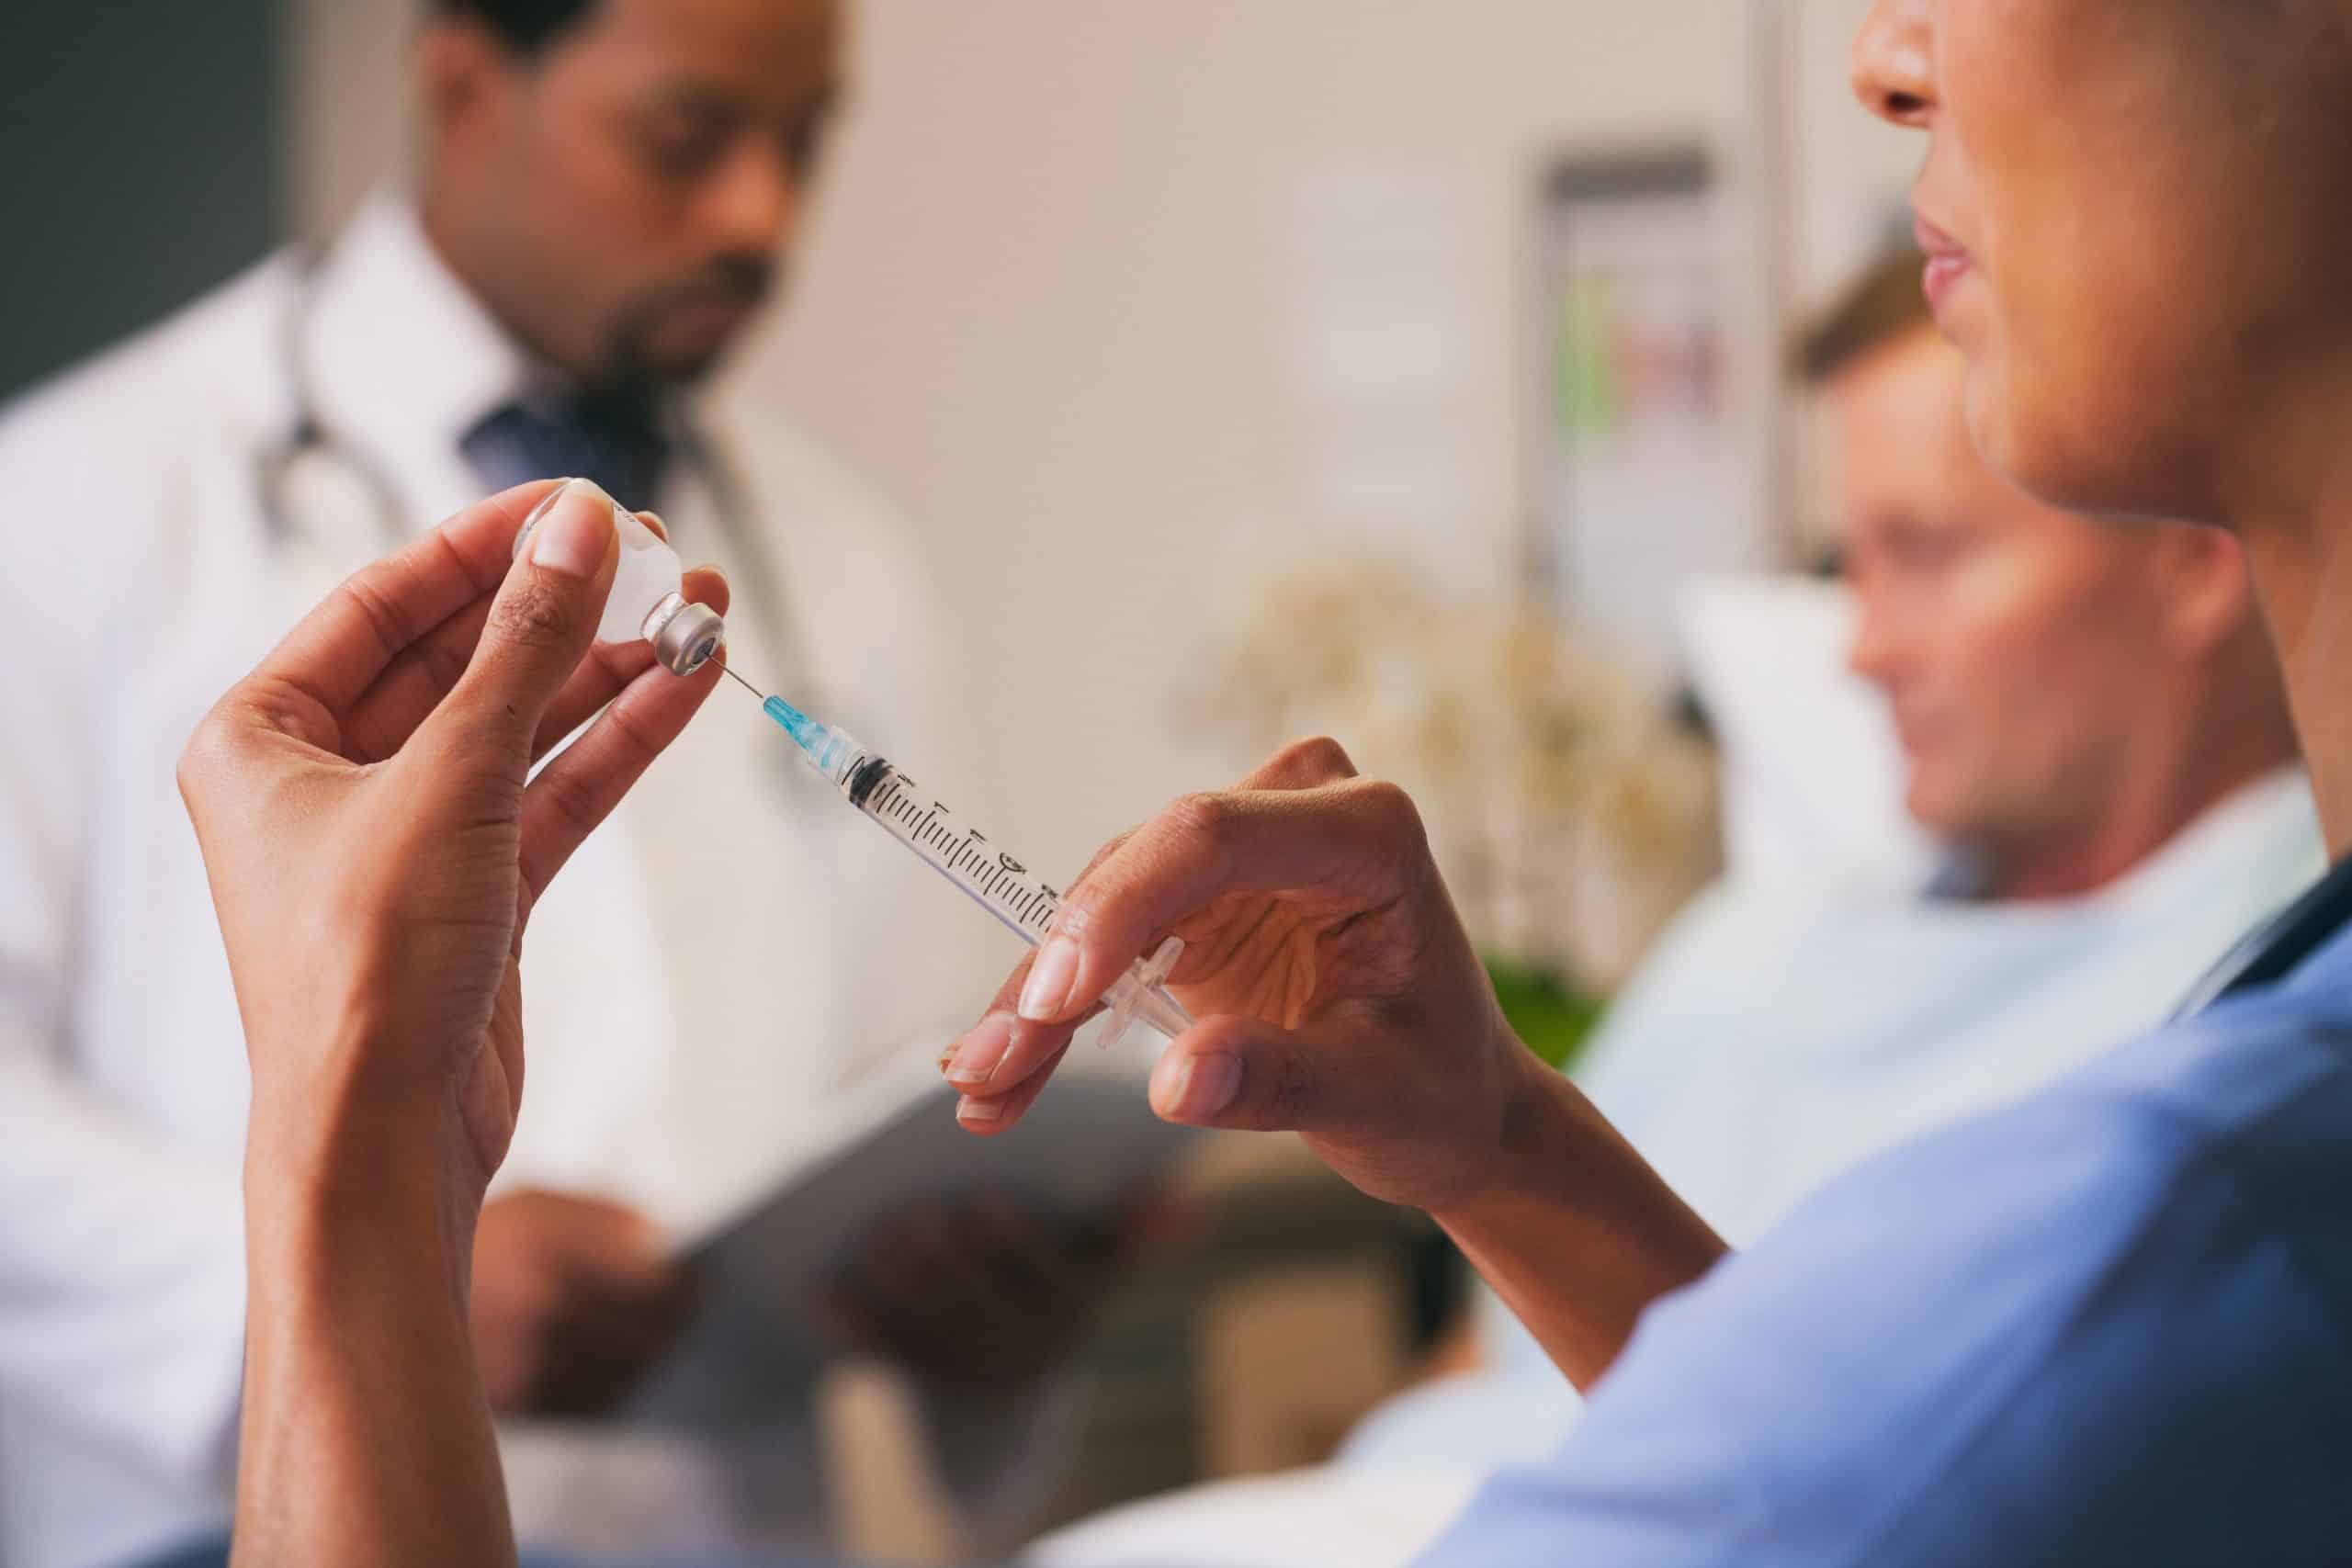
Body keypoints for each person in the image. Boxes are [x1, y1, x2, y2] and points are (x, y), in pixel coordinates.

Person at [188, 0, 2352, 1562]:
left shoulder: (2183, 1211)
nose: (1883, 56)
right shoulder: (2245, 1126)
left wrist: (354, 1148)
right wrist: (1507, 1145)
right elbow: (1878, 1485)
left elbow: (1910, 1459)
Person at [0, 3, 1112, 1564]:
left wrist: (980, 1319)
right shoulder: (67, 506)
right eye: (686, 137)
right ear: (464, 79)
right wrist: (381, 1260)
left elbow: (903, 1077)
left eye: (802, 143)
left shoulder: (837, 556)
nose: (760, 213)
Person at [1330, 247, 2320, 1479]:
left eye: (1927, 553)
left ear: (2195, 558)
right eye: (1844, 565)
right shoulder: (1754, 942)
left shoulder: (2262, 1008)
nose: (1862, 648)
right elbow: (1473, 1371)